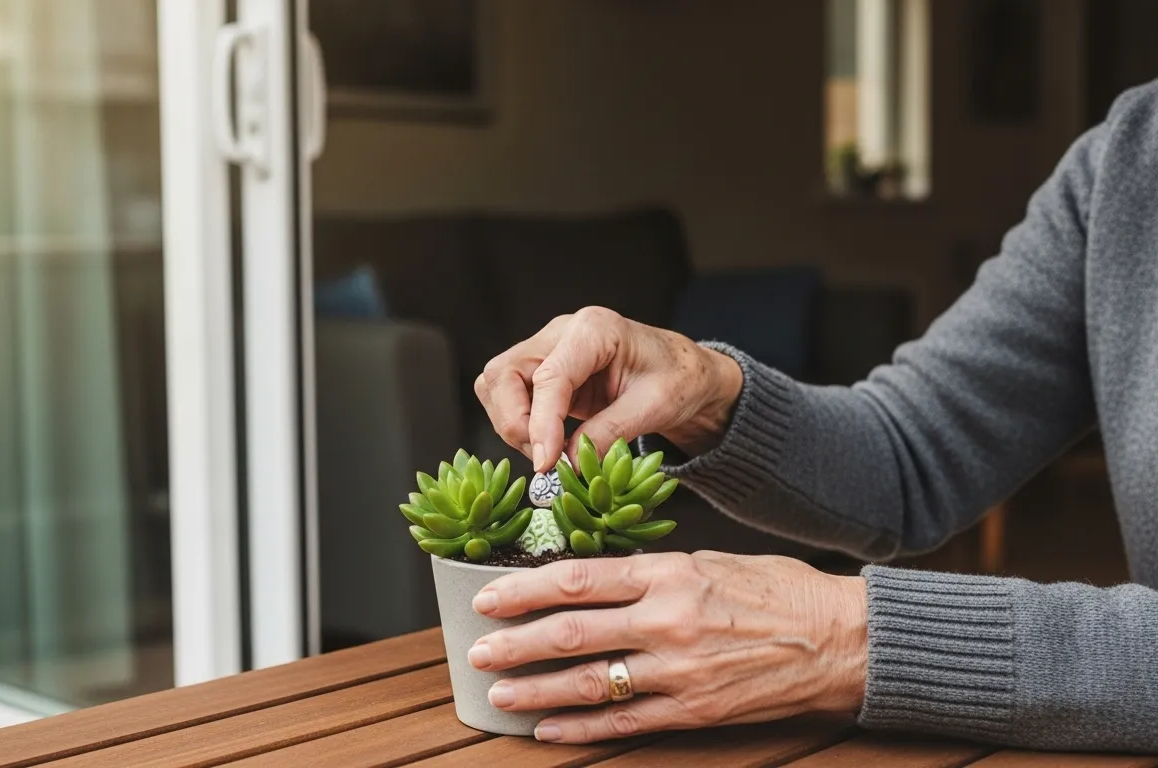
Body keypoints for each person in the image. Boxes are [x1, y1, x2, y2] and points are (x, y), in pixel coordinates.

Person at [469, 82, 1158, 753]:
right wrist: (705, 389)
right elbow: (911, 455)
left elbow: (859, 616)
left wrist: (850, 638)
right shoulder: (1128, 161)